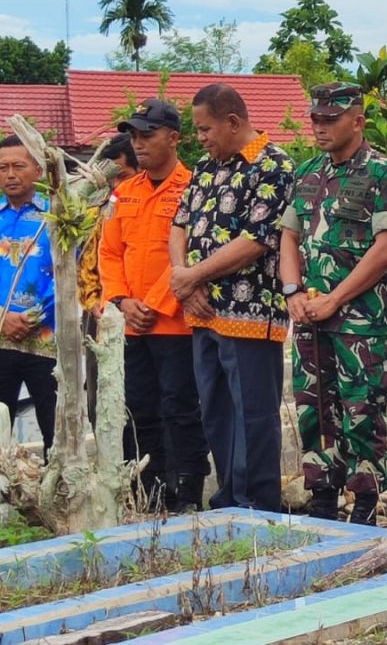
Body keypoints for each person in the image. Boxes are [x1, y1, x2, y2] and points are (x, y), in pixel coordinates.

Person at [279, 83, 387, 526]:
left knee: (362, 412)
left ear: (358, 120)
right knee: (314, 409)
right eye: (315, 118)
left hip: (360, 323)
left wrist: (336, 297)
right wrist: (293, 291)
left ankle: (366, 505)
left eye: (330, 119)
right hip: (310, 319)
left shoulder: (384, 175)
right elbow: (289, 237)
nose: (319, 127)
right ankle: (321, 497)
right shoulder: (309, 172)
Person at [169, 84, 295, 512]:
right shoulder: (206, 167)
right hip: (203, 311)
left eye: (205, 129)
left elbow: (257, 239)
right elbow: (180, 225)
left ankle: (258, 504)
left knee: (253, 414)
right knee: (216, 412)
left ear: (233, 122)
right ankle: (227, 500)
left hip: (250, 311)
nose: (200, 138)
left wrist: (192, 277)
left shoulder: (274, 166)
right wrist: (184, 280)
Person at [100, 99, 210, 512]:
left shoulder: (195, 189)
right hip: (132, 324)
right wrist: (123, 301)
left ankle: (188, 492)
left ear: (174, 138)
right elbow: (109, 253)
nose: (138, 143)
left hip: (177, 324)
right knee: (139, 409)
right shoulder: (122, 194)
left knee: (180, 409)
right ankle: (151, 489)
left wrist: (155, 304)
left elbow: (194, 254)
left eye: (147, 134)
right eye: (134, 135)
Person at [0, 135, 57, 458]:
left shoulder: (57, 217)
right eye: (3, 167)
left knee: (54, 421)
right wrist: (3, 317)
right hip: (0, 338)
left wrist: (32, 318)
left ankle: (60, 493)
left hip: (46, 338)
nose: (10, 174)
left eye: (18, 166)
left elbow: (69, 274)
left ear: (37, 169)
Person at [79, 134, 138, 425]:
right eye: (111, 177)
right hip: (98, 314)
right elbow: (85, 260)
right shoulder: (98, 203)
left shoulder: (148, 205)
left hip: (139, 311)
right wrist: (93, 303)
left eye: (123, 176)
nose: (116, 185)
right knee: (100, 396)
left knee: (138, 397)